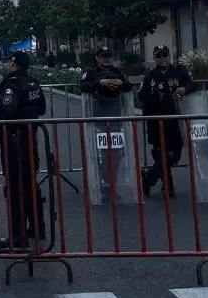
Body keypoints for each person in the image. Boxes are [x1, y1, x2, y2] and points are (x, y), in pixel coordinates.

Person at [0, 51, 47, 251]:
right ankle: (38, 227)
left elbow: (7, 109)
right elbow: (41, 108)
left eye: (10, 62)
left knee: (14, 188)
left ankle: (16, 236)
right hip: (30, 138)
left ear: (14, 64)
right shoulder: (33, 83)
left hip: (13, 139)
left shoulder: (11, 84)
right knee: (30, 183)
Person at [138, 45, 196, 197]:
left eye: (165, 55)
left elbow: (193, 84)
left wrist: (184, 89)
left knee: (173, 155)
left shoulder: (179, 71)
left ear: (170, 56)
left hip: (174, 119)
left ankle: (148, 177)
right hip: (155, 120)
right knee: (159, 154)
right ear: (154, 58)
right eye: (159, 56)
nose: (162, 58)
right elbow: (141, 96)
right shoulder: (150, 74)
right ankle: (168, 185)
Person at [80, 47, 134, 201]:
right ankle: (103, 186)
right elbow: (83, 86)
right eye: (103, 57)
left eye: (109, 56)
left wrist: (120, 82)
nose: (107, 59)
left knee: (116, 153)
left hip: (116, 116)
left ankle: (112, 184)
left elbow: (128, 86)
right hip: (98, 118)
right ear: (97, 58)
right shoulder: (91, 72)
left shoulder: (116, 71)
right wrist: (100, 83)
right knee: (102, 154)